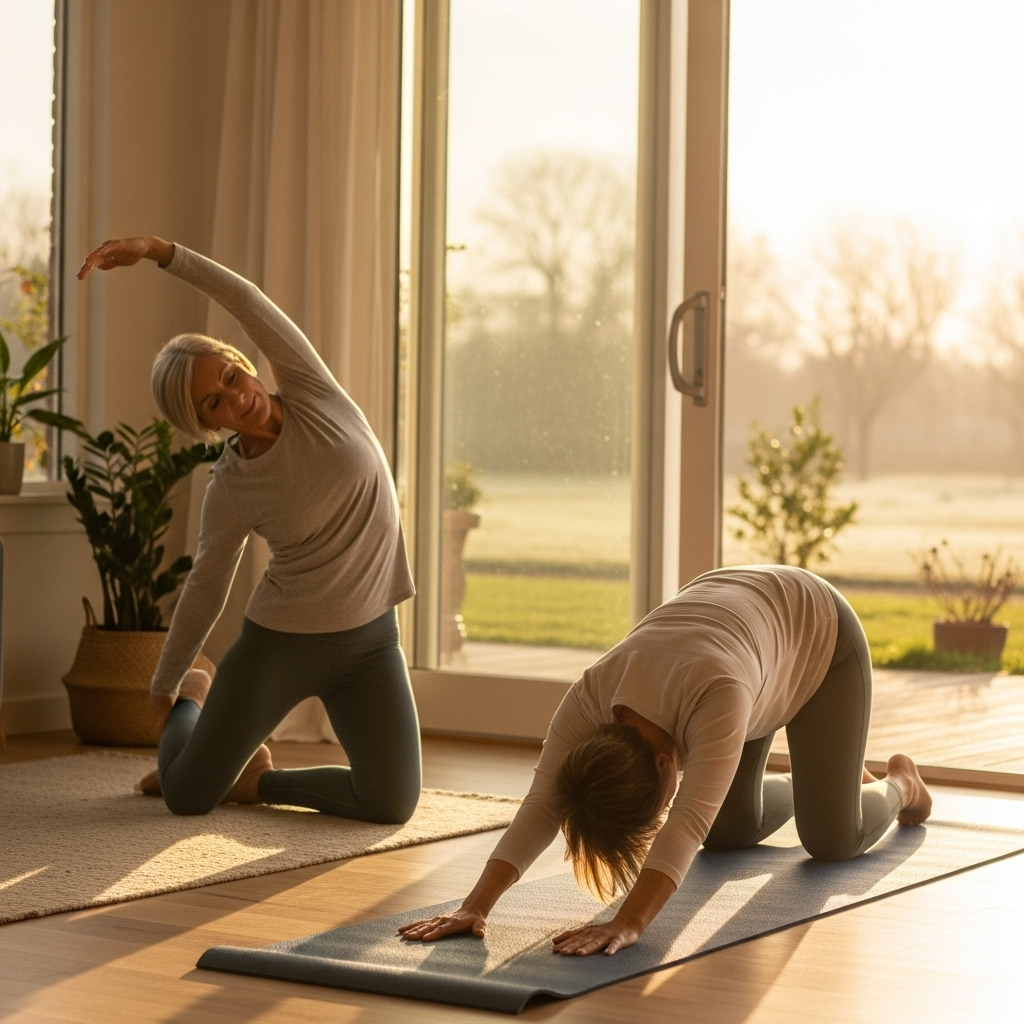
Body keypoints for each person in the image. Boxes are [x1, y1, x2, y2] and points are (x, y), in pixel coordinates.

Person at [398, 565, 932, 956]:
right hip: (742, 645)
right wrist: (475, 906)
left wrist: (629, 922)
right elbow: (543, 803)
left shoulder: (717, 698)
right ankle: (828, 778)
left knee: (833, 839)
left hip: (817, 633)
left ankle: (900, 782)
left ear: (662, 766)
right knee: (727, 832)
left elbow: (686, 821)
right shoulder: (592, 695)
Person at [77, 236, 421, 823]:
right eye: (215, 402)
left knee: (390, 801)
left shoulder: (313, 391)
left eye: (232, 376)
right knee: (186, 796)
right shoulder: (231, 487)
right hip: (280, 645)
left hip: (370, 642)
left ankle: (257, 784)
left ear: (243, 363)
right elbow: (206, 584)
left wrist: (160, 251)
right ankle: (196, 696)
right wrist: (165, 685)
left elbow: (246, 299)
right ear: (204, 425)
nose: (239, 397)